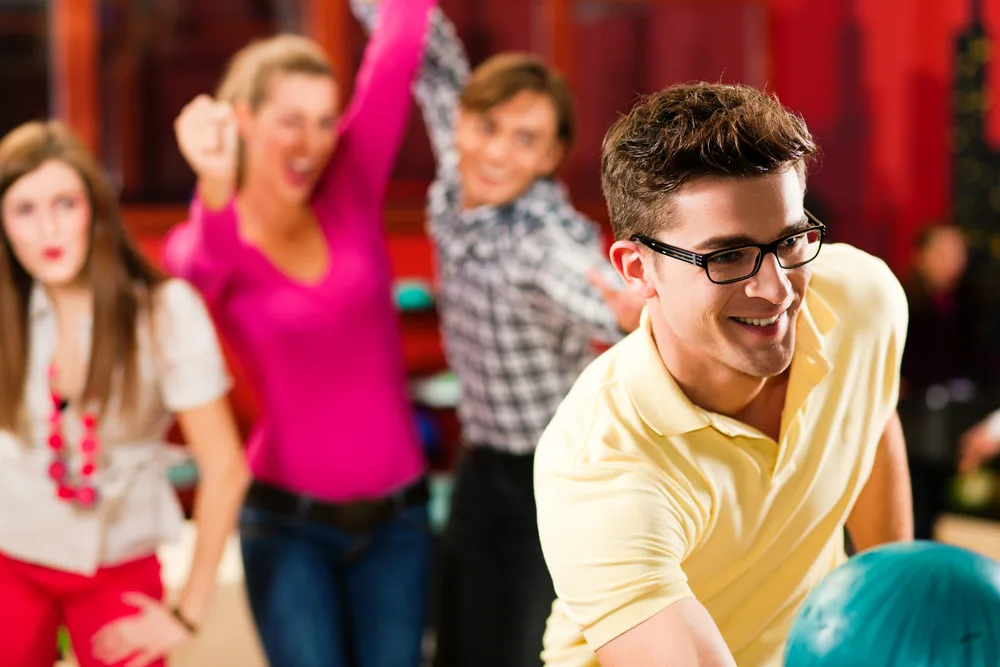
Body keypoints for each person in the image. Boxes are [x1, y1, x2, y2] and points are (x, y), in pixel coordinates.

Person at [534, 82, 914, 667]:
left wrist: (899, 623)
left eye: (789, 240)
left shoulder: (860, 300)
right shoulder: (599, 466)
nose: (778, 289)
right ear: (638, 268)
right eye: (727, 256)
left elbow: (865, 407)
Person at [348, 3, 644, 666]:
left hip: (558, 480)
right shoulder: (462, 178)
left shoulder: (541, 236)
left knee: (529, 653)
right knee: (456, 646)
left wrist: (627, 311)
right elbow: (430, 51)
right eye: (488, 126)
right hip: (483, 468)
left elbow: (584, 280)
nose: (498, 151)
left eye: (526, 139)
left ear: (551, 157)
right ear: (462, 124)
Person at [161, 1, 436, 665]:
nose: (309, 141)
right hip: (286, 529)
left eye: (322, 120)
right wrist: (215, 180)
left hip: (399, 525)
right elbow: (202, 262)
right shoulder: (204, 242)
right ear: (242, 120)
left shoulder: (350, 181)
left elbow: (399, 46)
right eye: (289, 120)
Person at [0, 120, 248, 667]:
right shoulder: (7, 312)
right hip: (10, 560)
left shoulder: (164, 313)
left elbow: (226, 468)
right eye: (24, 209)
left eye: (65, 203)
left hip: (117, 564)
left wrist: (187, 612)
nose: (48, 230)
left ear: (95, 210)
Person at [898, 223, 984, 538]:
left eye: (959, 254)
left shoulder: (969, 306)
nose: (954, 262)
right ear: (921, 256)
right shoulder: (903, 301)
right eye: (944, 253)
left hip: (950, 425)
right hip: (909, 421)